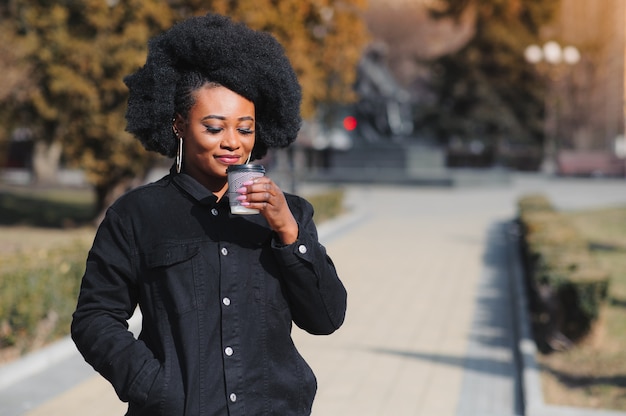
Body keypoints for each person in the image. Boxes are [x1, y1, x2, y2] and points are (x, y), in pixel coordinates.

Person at [71, 13, 347, 416]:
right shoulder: (137, 214)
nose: (233, 142)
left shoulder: (291, 214)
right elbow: (95, 318)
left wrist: (288, 231)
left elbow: (326, 318)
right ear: (179, 125)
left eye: (245, 128)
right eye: (214, 128)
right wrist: (155, 386)